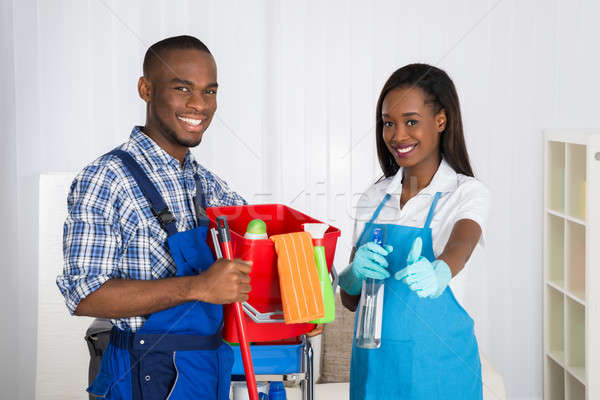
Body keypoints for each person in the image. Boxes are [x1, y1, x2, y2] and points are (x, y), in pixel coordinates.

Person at [57, 35, 252, 399]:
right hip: (141, 375)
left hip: (205, 371)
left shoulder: (208, 186)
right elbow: (84, 294)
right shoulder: (106, 179)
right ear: (146, 89)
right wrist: (197, 287)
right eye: (182, 88)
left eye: (209, 92)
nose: (199, 105)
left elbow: (259, 247)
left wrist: (306, 295)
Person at [339, 63, 490, 399]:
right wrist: (351, 274)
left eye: (411, 122)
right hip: (374, 372)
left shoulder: (467, 192)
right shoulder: (373, 197)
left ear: (440, 121)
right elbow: (350, 300)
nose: (397, 135)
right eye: (388, 123)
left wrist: (441, 270)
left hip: (439, 373)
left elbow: (463, 240)